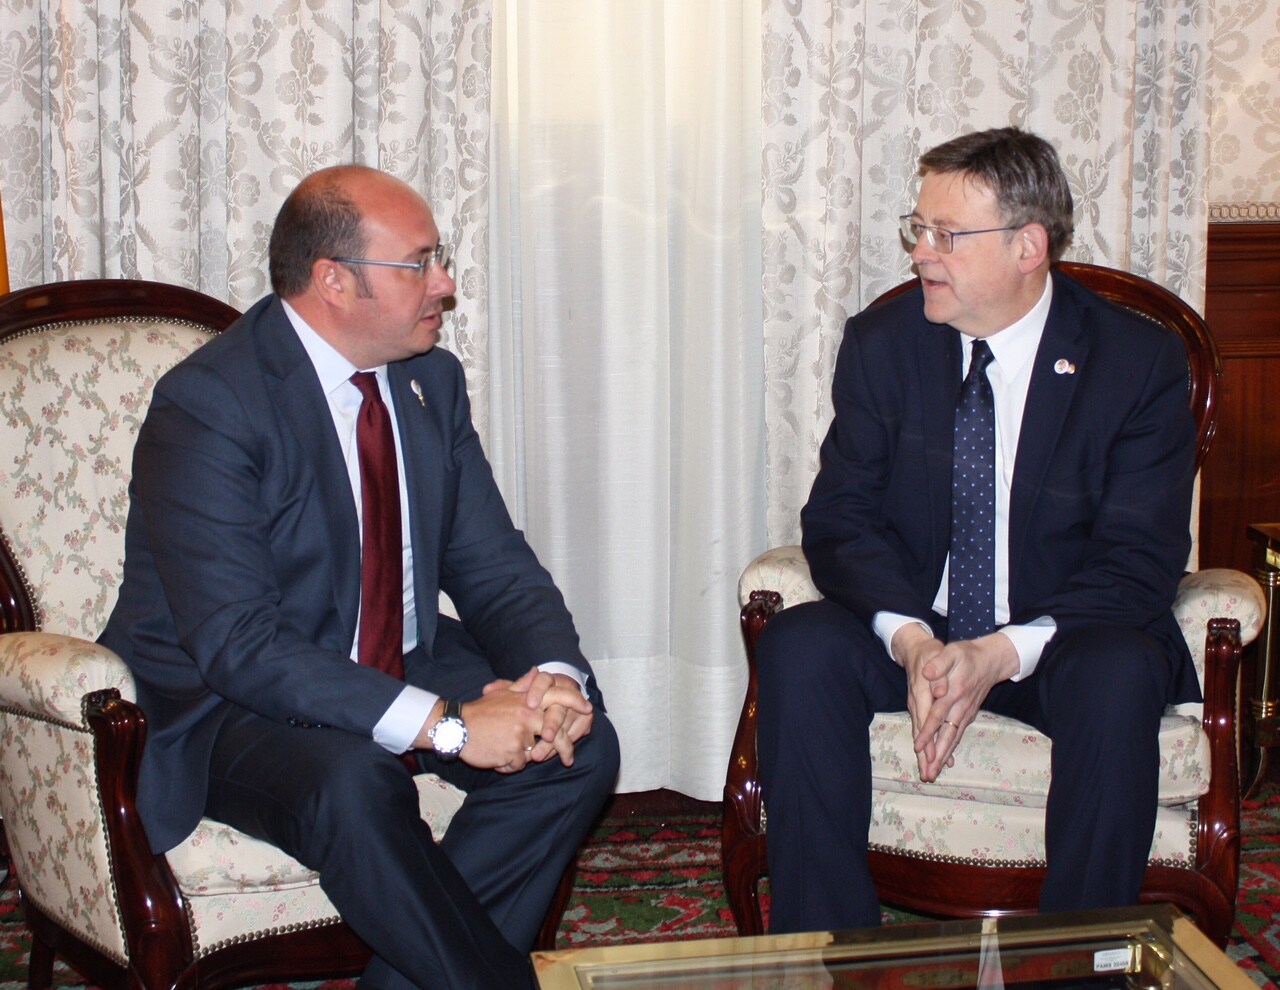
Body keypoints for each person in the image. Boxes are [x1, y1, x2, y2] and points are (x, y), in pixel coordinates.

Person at [99, 164, 619, 990]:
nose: (444, 284)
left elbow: (492, 564)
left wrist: (552, 676)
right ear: (333, 281)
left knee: (578, 752)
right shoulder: (209, 404)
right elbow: (240, 644)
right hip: (227, 702)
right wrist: (447, 727)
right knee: (355, 783)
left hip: (396, 652)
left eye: (438, 257)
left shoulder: (428, 382)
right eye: (419, 264)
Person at [755, 128, 1200, 933]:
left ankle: (1076, 962)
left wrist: (1000, 652)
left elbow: (1143, 556)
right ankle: (829, 953)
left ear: (1028, 246)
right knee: (801, 644)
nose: (921, 253)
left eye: (946, 235)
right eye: (917, 230)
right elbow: (839, 519)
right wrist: (914, 643)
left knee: (1121, 674)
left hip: (1061, 637)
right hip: (922, 633)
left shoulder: (1138, 362)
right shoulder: (884, 346)